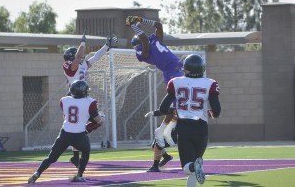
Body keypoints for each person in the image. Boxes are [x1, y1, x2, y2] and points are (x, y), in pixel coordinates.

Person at [147, 54, 221, 186]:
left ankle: (193, 167)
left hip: (184, 128)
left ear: (186, 68)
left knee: (188, 168)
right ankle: (194, 167)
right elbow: (217, 110)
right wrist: (212, 113)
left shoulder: (176, 82)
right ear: (202, 69)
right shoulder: (210, 83)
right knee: (195, 162)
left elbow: (164, 108)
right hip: (201, 128)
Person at [125, 16, 182, 170]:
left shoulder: (143, 47)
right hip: (179, 68)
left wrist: (134, 25)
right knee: (176, 105)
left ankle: (167, 128)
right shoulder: (156, 40)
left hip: (171, 73)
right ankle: (165, 142)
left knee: (175, 106)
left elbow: (143, 38)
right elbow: (158, 26)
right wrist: (142, 21)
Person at [28, 80, 105, 184]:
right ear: (83, 91)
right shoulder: (90, 101)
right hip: (79, 135)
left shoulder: (64, 100)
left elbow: (66, 115)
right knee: (86, 152)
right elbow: (97, 120)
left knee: (51, 158)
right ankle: (79, 175)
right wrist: (101, 119)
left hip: (65, 133)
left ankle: (37, 173)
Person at [63, 32, 117, 167]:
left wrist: (106, 46)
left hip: (82, 96)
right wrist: (82, 43)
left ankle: (76, 153)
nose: (80, 58)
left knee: (94, 122)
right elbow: (79, 57)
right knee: (97, 120)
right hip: (74, 96)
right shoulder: (69, 66)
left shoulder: (82, 65)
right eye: (76, 56)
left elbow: (95, 57)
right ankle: (76, 150)